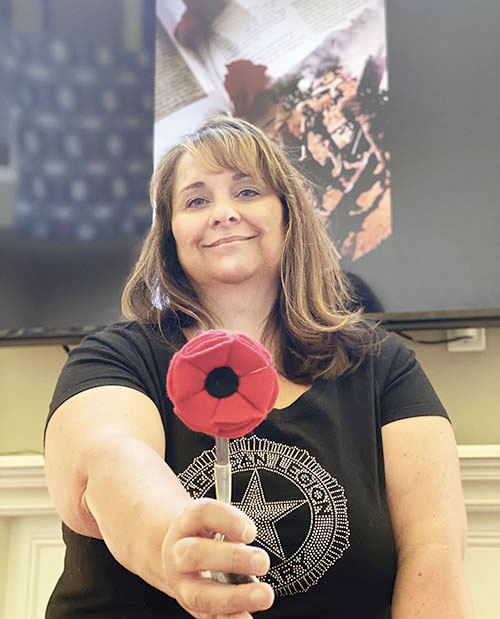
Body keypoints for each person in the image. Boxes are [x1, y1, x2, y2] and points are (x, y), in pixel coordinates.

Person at [44, 116, 474, 618]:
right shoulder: (115, 356)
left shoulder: (382, 366)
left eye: (247, 192)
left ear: (288, 216)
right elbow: (108, 462)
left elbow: (435, 551)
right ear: (170, 236)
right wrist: (173, 543)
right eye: (197, 200)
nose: (223, 213)